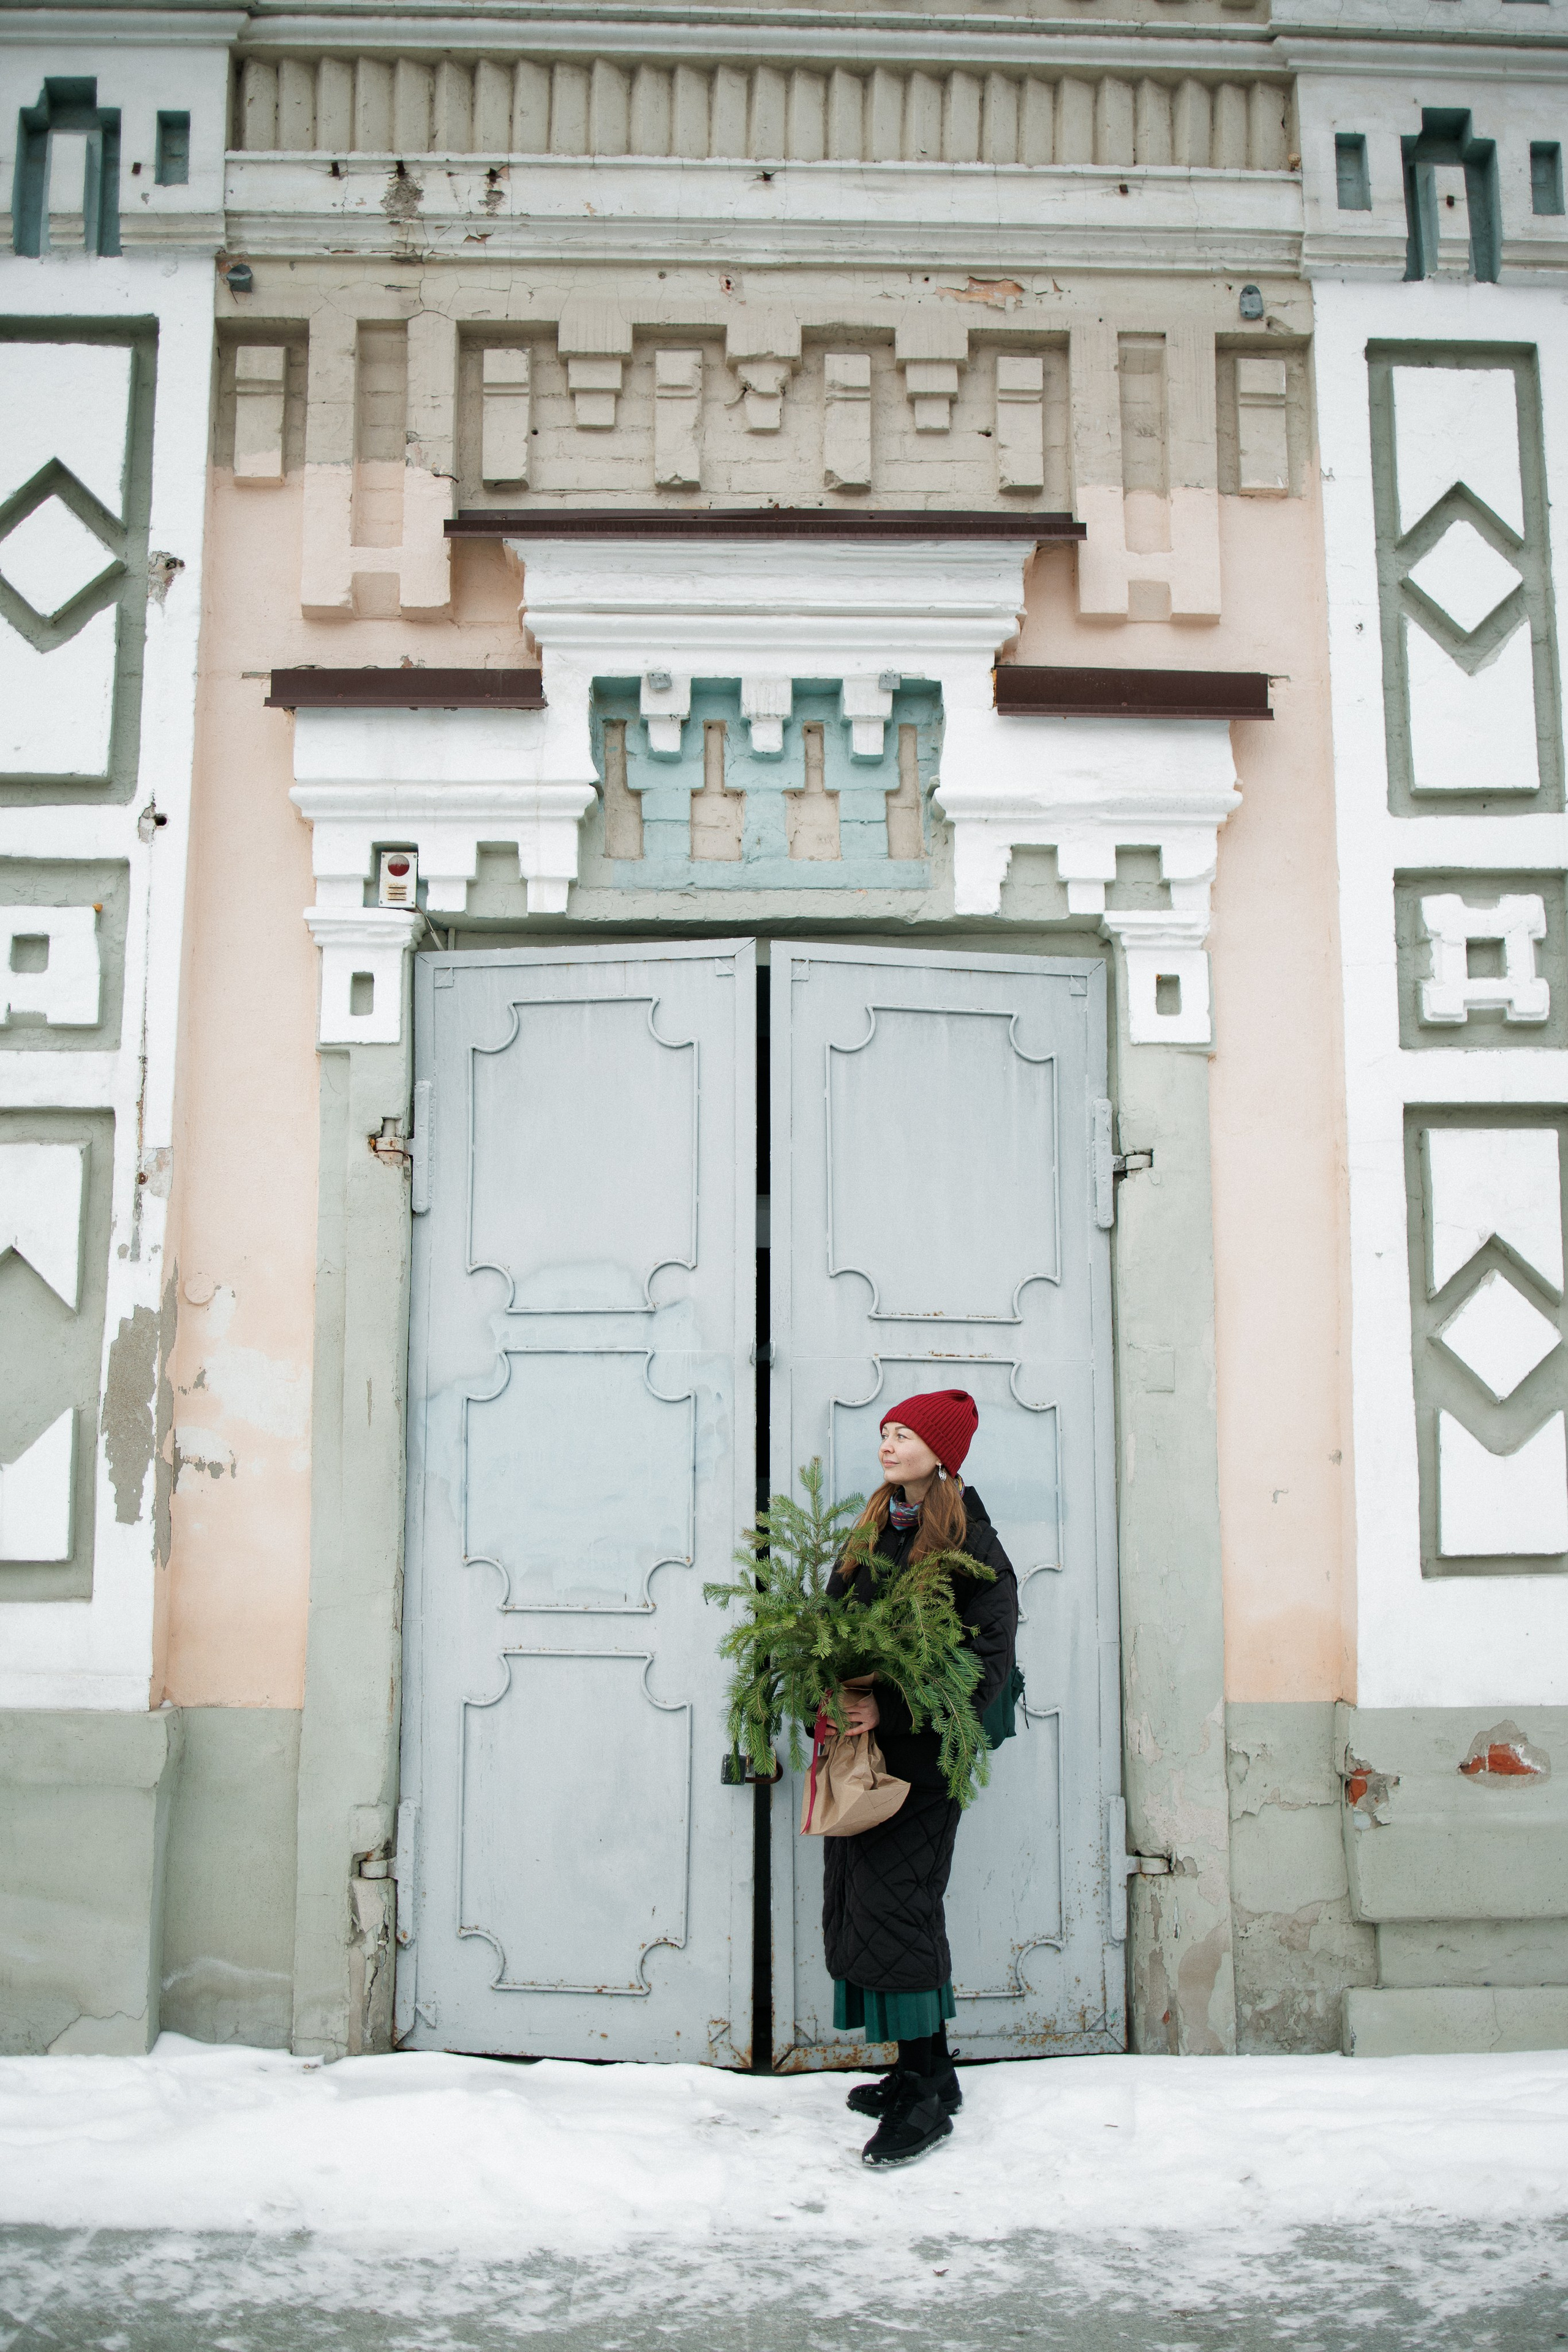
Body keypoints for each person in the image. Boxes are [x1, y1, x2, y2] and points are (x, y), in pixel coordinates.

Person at [823, 1388, 1018, 2169]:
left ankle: (923, 2098)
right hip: (872, 1758)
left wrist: (890, 1711)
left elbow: (984, 1665)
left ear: (942, 1451)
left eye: (903, 1434)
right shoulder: (879, 1524)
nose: (888, 1444)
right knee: (874, 1901)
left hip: (928, 1757)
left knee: (899, 1906)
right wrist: (834, 1684)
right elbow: (839, 1619)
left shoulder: (970, 1541)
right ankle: (927, 2069)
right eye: (884, 1433)